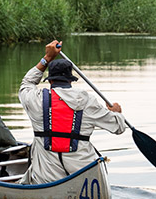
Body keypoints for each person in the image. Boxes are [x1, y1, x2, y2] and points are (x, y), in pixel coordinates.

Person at [18, 40, 126, 185]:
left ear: (50, 81)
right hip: (83, 177)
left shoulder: (35, 100)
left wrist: (47, 59)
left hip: (46, 178)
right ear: (70, 80)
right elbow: (119, 127)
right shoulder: (89, 102)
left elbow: (27, 83)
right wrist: (116, 113)